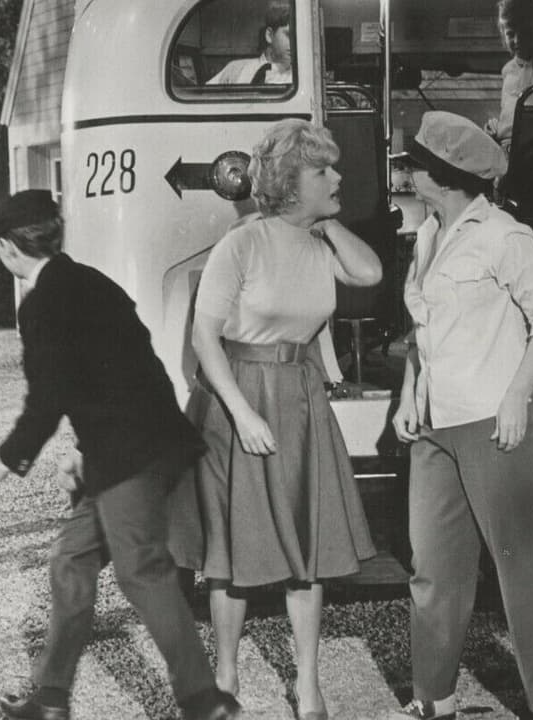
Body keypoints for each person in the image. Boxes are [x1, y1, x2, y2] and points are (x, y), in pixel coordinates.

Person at [0, 190, 239, 720]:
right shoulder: (92, 281)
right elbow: (122, 370)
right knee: (72, 559)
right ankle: (50, 699)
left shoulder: (41, 304)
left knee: (142, 571)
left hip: (126, 456)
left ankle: (204, 701)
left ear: (7, 247)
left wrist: (8, 456)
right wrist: (83, 448)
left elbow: (48, 396)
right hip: (148, 443)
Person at [175, 119, 381, 720]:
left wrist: (326, 222)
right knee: (232, 552)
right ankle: (226, 675)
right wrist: (241, 415)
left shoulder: (320, 243)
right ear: (291, 183)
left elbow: (370, 273)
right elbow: (205, 338)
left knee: (306, 548)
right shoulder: (241, 243)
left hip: (300, 396)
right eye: (323, 171)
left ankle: (308, 684)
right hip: (236, 396)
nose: (337, 177)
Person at [390, 111, 533, 720]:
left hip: (493, 420)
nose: (407, 171)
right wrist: (410, 393)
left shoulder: (505, 236)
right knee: (433, 570)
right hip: (435, 426)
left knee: (520, 565)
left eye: (416, 164)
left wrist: (519, 396)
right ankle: (432, 698)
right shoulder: (427, 234)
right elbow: (423, 328)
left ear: (443, 176)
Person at [489, 0, 533, 147]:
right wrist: (497, 126)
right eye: (510, 34)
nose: (517, 40)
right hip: (505, 145)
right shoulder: (507, 70)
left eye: (524, 33)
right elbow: (508, 112)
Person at [206, 3, 292, 85]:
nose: (294, 43)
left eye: (297, 38)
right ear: (269, 35)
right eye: (289, 35)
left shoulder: (297, 77)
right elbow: (205, 92)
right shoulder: (235, 68)